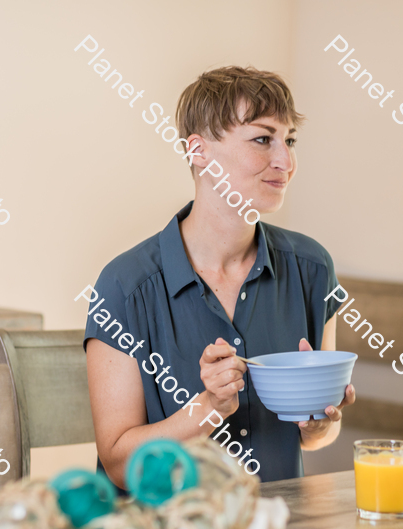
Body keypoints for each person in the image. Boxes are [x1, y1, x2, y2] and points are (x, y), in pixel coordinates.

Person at [83, 66, 354, 490]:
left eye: (289, 140)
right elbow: (118, 464)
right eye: (263, 139)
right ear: (199, 151)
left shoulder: (312, 268)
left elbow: (318, 437)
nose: (286, 161)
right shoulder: (124, 287)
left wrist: (318, 421)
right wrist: (209, 407)